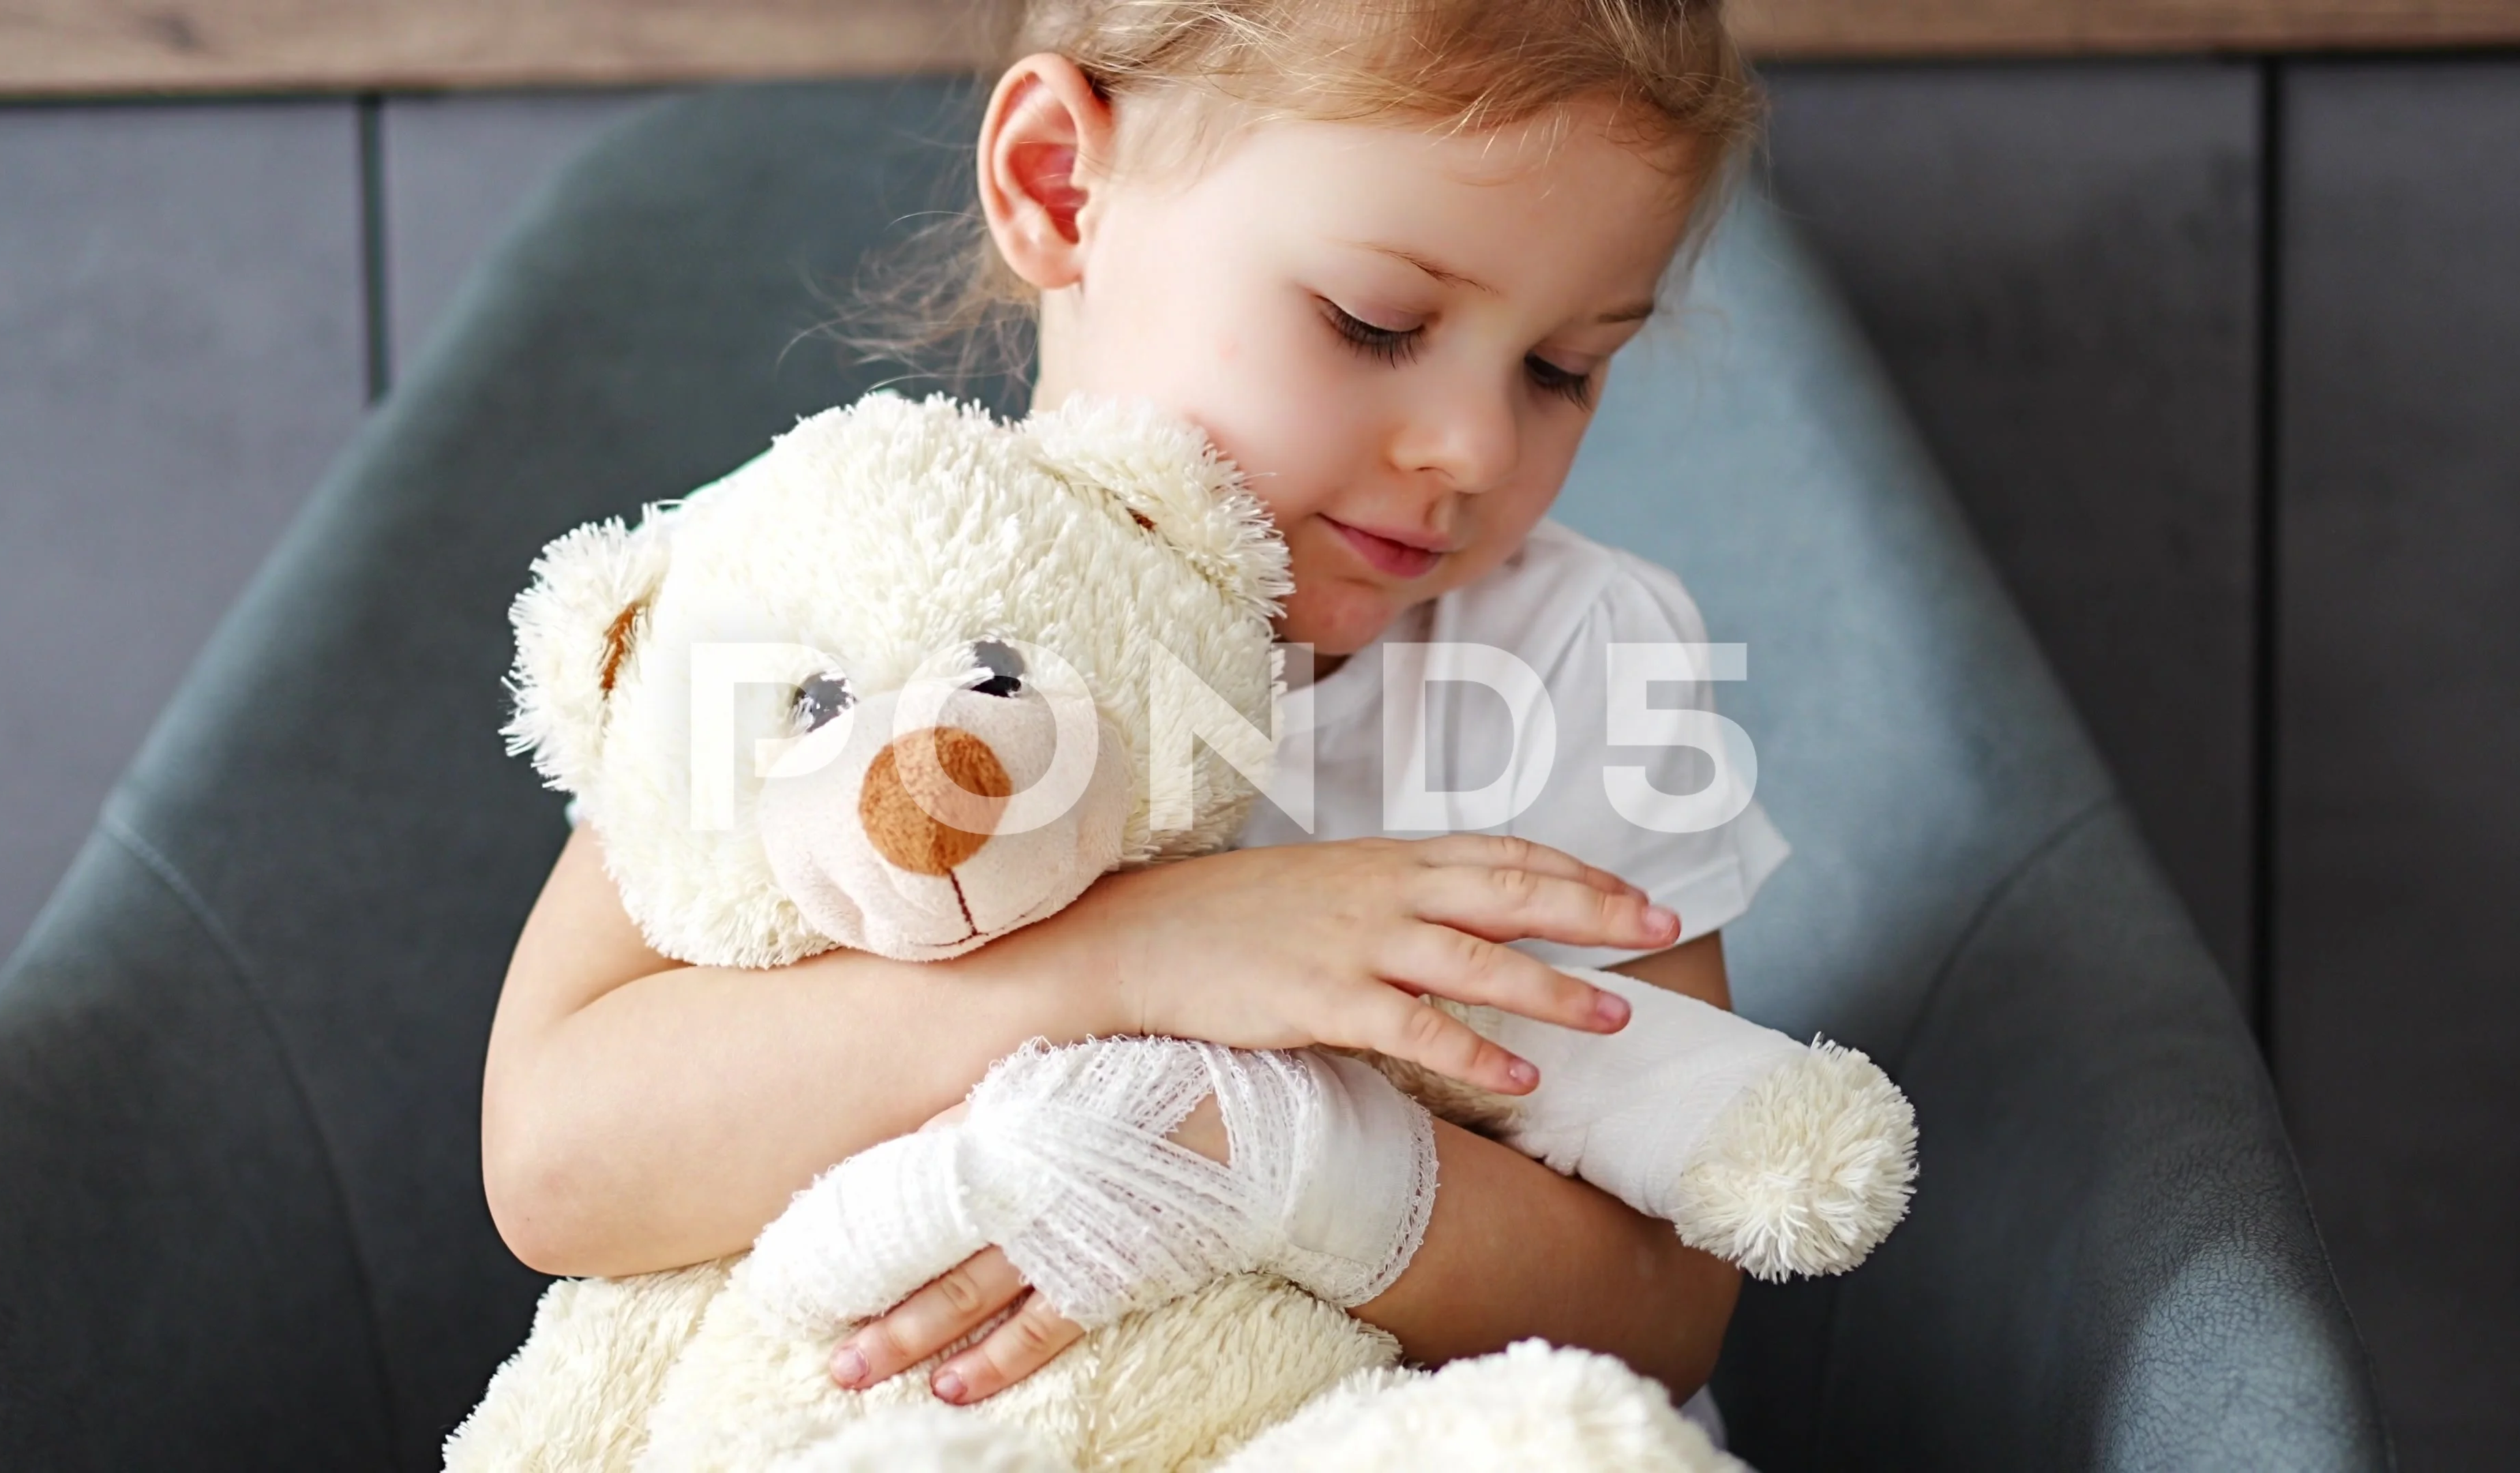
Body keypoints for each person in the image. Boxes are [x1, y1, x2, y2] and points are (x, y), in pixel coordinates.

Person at [481, 0, 1783, 1429]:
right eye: (1377, 323)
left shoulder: (1581, 654)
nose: (1476, 445)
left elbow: (1670, 1311)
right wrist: (1142, 957)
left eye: (1563, 369)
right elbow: (555, 1165)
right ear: (1057, 185)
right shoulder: (820, 583)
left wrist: (1264, 1156)